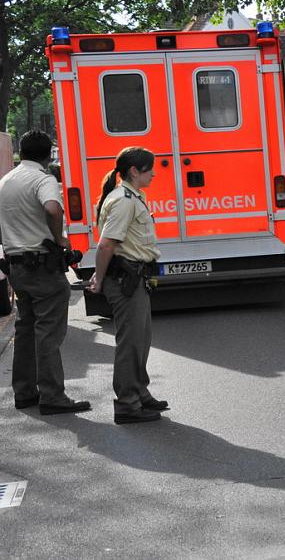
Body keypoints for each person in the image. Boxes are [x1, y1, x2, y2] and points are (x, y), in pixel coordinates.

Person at [0, 130, 90, 415]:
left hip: (16, 265)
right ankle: (53, 396)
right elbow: (52, 208)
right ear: (48, 154)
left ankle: (24, 392)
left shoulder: (4, 182)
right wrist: (60, 239)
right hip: (41, 266)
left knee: (24, 330)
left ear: (21, 151)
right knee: (48, 333)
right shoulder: (43, 179)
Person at [88, 147, 167, 424]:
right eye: (150, 169)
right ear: (135, 171)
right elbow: (107, 243)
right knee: (130, 344)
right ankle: (127, 404)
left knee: (140, 340)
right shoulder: (123, 200)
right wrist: (98, 278)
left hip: (135, 278)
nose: (154, 173)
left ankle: (139, 392)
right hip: (125, 281)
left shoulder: (134, 196)